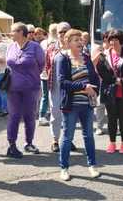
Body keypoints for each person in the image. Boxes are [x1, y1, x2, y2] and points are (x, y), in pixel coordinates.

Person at [55, 29, 101, 181]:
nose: (80, 43)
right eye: (76, 40)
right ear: (67, 43)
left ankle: (92, 166)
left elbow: (94, 78)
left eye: (80, 40)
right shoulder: (62, 58)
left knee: (89, 136)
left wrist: (95, 91)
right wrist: (83, 87)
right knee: (67, 137)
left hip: (87, 104)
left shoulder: (86, 58)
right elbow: (62, 83)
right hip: (71, 105)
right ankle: (64, 168)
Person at [5, 22, 45, 158]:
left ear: (21, 32)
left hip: (31, 87)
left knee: (29, 116)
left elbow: (41, 65)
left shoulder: (35, 47)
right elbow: (8, 63)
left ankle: (29, 143)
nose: (10, 33)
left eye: (13, 31)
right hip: (13, 88)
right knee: (14, 116)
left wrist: (28, 76)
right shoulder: (10, 46)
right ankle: (11, 144)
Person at [96, 30, 123, 154]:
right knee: (111, 118)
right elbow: (101, 71)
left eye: (116, 40)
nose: (113, 42)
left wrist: (122, 81)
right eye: (111, 40)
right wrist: (114, 80)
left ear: (121, 41)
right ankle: (112, 143)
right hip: (109, 91)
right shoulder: (104, 55)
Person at [46, 22, 77, 152]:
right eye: (60, 32)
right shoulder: (51, 48)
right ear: (57, 34)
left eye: (66, 31)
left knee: (70, 113)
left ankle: (68, 139)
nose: (63, 34)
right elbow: (47, 65)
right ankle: (55, 140)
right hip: (55, 86)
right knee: (55, 113)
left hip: (72, 85)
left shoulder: (77, 47)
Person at [38, 23, 58, 126]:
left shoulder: (43, 43)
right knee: (54, 95)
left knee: (45, 95)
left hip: (44, 73)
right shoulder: (58, 43)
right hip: (53, 73)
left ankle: (42, 116)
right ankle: (51, 114)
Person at [91, 32, 110, 136]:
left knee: (112, 105)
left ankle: (114, 126)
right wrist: (99, 55)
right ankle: (99, 126)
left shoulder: (115, 49)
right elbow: (91, 64)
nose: (109, 42)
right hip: (100, 81)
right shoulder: (98, 49)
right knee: (100, 105)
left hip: (110, 81)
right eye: (106, 39)